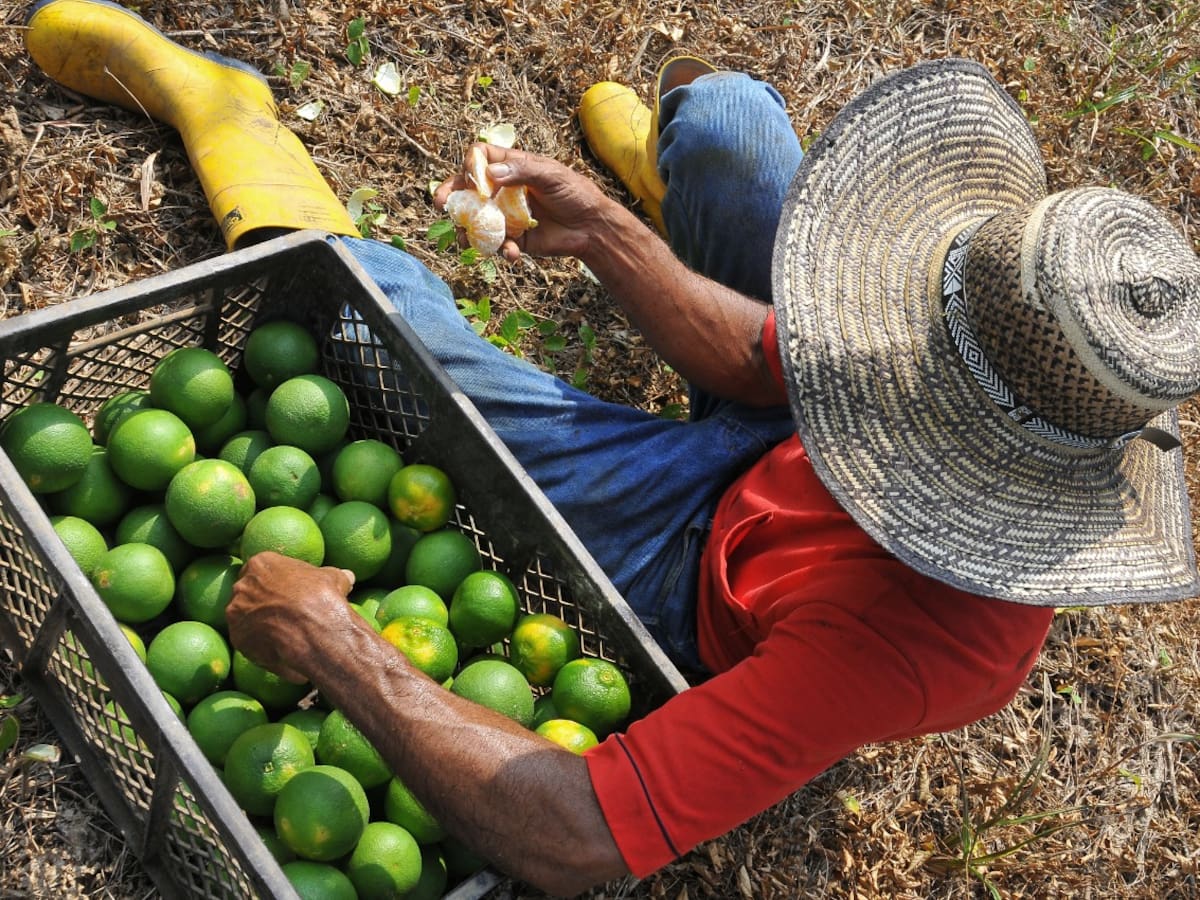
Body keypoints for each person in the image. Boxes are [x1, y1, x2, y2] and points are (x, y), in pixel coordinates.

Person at [25, 1, 1200, 896]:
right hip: (761, 458)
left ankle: (230, 116)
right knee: (732, 121)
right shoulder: (952, 341)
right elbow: (757, 363)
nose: (875, 381)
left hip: (676, 570)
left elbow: (582, 832)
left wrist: (341, 650)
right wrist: (613, 238)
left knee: (368, 297)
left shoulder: (916, 642)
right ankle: (669, 187)